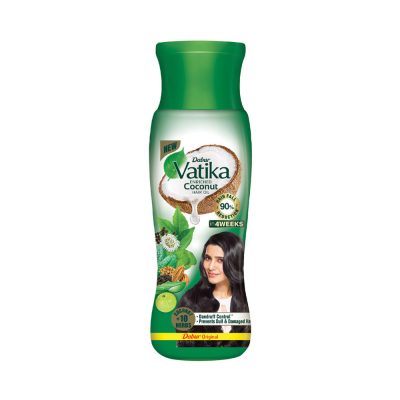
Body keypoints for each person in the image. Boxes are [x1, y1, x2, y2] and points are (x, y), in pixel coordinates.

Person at [177, 232, 250, 347]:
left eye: (220, 260)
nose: (210, 267)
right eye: (208, 258)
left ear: (234, 261)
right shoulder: (190, 300)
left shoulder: (245, 299)